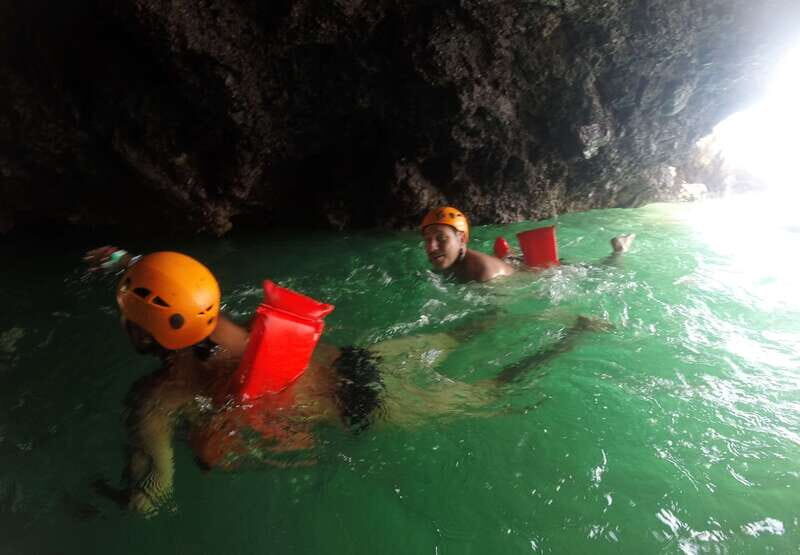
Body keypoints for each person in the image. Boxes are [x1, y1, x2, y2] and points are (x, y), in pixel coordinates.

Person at [84, 248, 610, 515]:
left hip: (367, 406)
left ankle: (573, 339)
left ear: (142, 332)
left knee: (492, 392)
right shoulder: (224, 322)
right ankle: (538, 315)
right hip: (359, 361)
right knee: (456, 335)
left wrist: (111, 503)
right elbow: (179, 291)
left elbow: (153, 492)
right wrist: (128, 261)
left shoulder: (158, 399)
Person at [420, 206, 636, 283]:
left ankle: (618, 252)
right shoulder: (451, 261)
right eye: (427, 240)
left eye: (441, 238)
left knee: (597, 273)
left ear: (461, 239)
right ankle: (508, 256)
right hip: (510, 265)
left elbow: (499, 315)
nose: (431, 247)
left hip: (539, 274)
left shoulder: (483, 272)